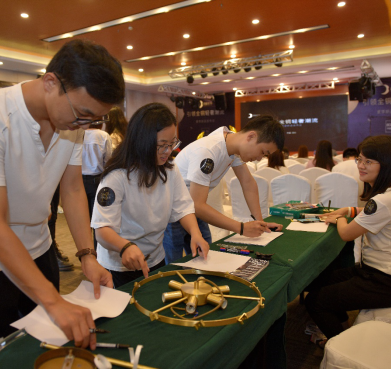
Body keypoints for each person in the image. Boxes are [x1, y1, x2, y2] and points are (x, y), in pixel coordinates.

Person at [0, 40, 124, 353]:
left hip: (38, 248)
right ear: (51, 82)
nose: (83, 125)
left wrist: (87, 255)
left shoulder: (71, 123)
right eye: (82, 114)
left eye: (92, 119)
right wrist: (54, 301)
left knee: (44, 347)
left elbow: (71, 188)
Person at [306, 135, 391, 344]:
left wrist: (339, 217)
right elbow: (368, 212)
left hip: (389, 282)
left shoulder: (384, 200)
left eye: (368, 161)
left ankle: (342, 345)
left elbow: (346, 233)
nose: (360, 166)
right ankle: (345, 330)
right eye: (360, 159)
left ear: (386, 165)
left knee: (315, 301)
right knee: (317, 280)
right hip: (376, 272)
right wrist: (348, 210)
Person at [91, 103, 209, 288]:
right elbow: (102, 230)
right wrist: (125, 246)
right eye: (162, 145)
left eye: (172, 144)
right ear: (141, 141)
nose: (168, 151)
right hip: (119, 266)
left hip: (155, 259)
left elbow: (183, 207)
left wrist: (195, 233)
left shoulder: (170, 169)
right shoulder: (117, 177)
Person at [163, 115, 285, 264]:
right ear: (251, 137)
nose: (260, 159)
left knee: (205, 258)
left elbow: (248, 183)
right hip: (171, 211)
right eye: (263, 152)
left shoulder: (233, 146)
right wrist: (241, 228)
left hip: (191, 209)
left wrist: (260, 224)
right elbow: (198, 204)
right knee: (173, 263)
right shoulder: (208, 151)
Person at [82, 126, 113, 250]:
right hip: (98, 180)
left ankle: (86, 253)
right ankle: (97, 253)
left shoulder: (78, 134)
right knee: (98, 219)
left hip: (80, 181)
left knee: (83, 220)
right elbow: (109, 160)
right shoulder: (104, 135)